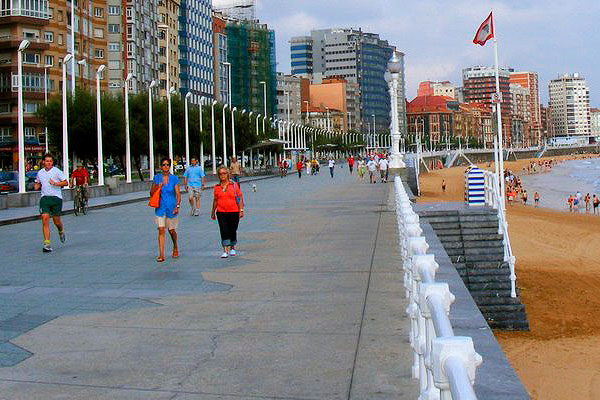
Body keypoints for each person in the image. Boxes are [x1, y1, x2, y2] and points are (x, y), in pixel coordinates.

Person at [34, 154, 68, 253]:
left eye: (50, 161)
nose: (48, 163)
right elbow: (37, 182)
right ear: (43, 162)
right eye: (47, 161)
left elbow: (66, 182)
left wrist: (56, 183)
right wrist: (36, 185)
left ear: (52, 162)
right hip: (44, 198)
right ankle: (47, 243)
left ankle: (61, 231)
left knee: (56, 221)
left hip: (56, 198)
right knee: (44, 219)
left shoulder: (57, 171)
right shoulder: (40, 173)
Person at [150, 158, 181, 262]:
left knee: (171, 230)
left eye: (167, 165)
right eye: (163, 165)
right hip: (160, 208)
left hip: (171, 208)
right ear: (161, 166)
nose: (165, 166)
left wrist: (177, 206)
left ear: (170, 166)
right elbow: (151, 193)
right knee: (161, 230)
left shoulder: (174, 179)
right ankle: (161, 254)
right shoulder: (157, 178)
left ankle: (175, 245)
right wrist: (157, 187)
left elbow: (177, 194)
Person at [211, 166, 244, 258]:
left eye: (224, 173)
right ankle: (225, 249)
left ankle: (232, 247)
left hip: (234, 211)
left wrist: (241, 210)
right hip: (221, 212)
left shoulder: (233, 185)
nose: (222, 175)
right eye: (220, 174)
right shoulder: (216, 187)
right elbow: (215, 200)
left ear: (228, 174)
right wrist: (213, 212)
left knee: (232, 230)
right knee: (224, 230)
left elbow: (240, 197)